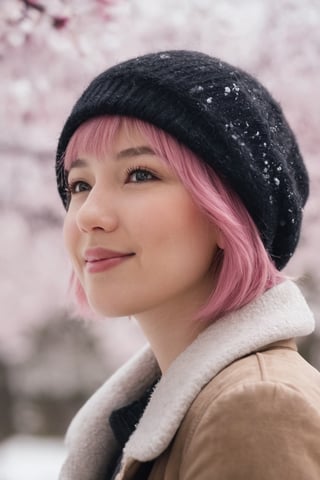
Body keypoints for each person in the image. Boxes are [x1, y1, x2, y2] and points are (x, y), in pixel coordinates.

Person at [55, 51, 320, 480]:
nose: (88, 214)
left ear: (228, 214)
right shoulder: (139, 419)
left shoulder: (258, 408)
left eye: (140, 174)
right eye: (80, 184)